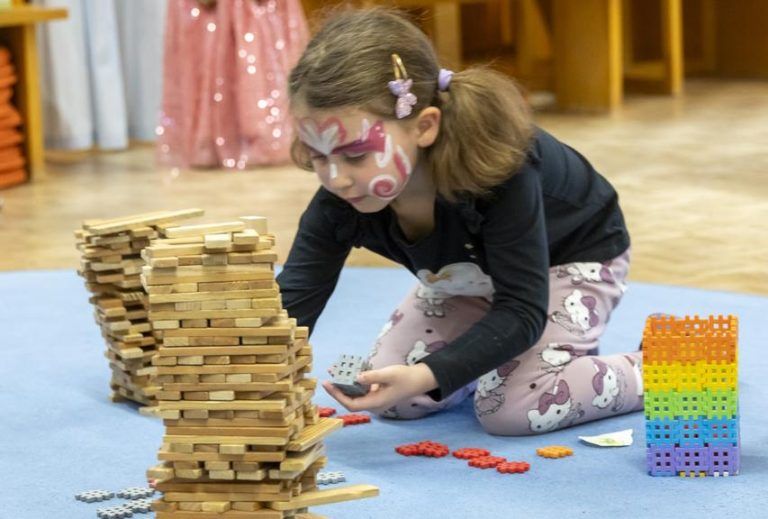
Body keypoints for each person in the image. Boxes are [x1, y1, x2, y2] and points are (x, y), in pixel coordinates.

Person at [276, 7, 643, 436]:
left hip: (568, 261)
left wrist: (430, 372)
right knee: (394, 398)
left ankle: (657, 367)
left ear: (425, 126)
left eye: (356, 155)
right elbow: (293, 303)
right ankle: (518, 358)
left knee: (510, 410)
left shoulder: (500, 173)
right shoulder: (340, 200)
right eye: (318, 156)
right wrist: (243, 378)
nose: (336, 177)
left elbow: (522, 308)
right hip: (471, 278)